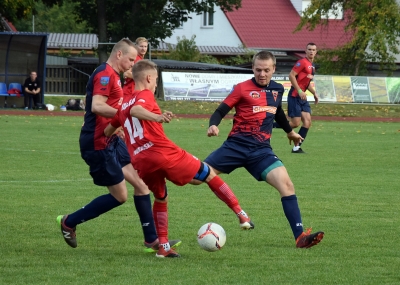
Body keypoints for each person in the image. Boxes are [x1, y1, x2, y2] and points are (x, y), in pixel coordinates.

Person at [104, 60, 254, 258]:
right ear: (149, 78)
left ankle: (163, 247)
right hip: (162, 153)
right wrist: (157, 118)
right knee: (208, 173)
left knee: (160, 197)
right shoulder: (145, 95)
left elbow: (108, 130)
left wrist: (120, 131)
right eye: (156, 79)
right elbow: (136, 111)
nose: (156, 83)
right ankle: (241, 215)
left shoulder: (123, 105)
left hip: (141, 161)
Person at [56, 38, 180, 253]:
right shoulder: (105, 74)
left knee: (142, 185)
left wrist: (120, 127)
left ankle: (151, 240)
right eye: (131, 59)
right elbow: (97, 106)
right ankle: (69, 222)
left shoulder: (114, 75)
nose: (133, 64)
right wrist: (125, 117)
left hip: (111, 139)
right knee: (120, 196)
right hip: (98, 143)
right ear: (119, 55)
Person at [205, 50, 324, 249]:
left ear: (273, 69)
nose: (262, 74)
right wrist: (214, 124)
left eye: (266, 70)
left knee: (287, 185)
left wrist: (289, 132)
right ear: (253, 68)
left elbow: (277, 112)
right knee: (194, 176)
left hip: (261, 151)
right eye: (258, 69)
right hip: (235, 147)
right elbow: (220, 110)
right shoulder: (241, 88)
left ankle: (300, 237)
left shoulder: (278, 89)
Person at [286, 42, 319, 153]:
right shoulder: (302, 62)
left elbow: (306, 82)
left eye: (313, 50)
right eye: (309, 49)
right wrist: (299, 91)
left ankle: (296, 147)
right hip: (295, 95)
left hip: (302, 97)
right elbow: (291, 75)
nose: (311, 51)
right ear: (305, 51)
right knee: (295, 123)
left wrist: (314, 93)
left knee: (307, 122)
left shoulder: (312, 66)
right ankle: (269, 125)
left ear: (316, 52)